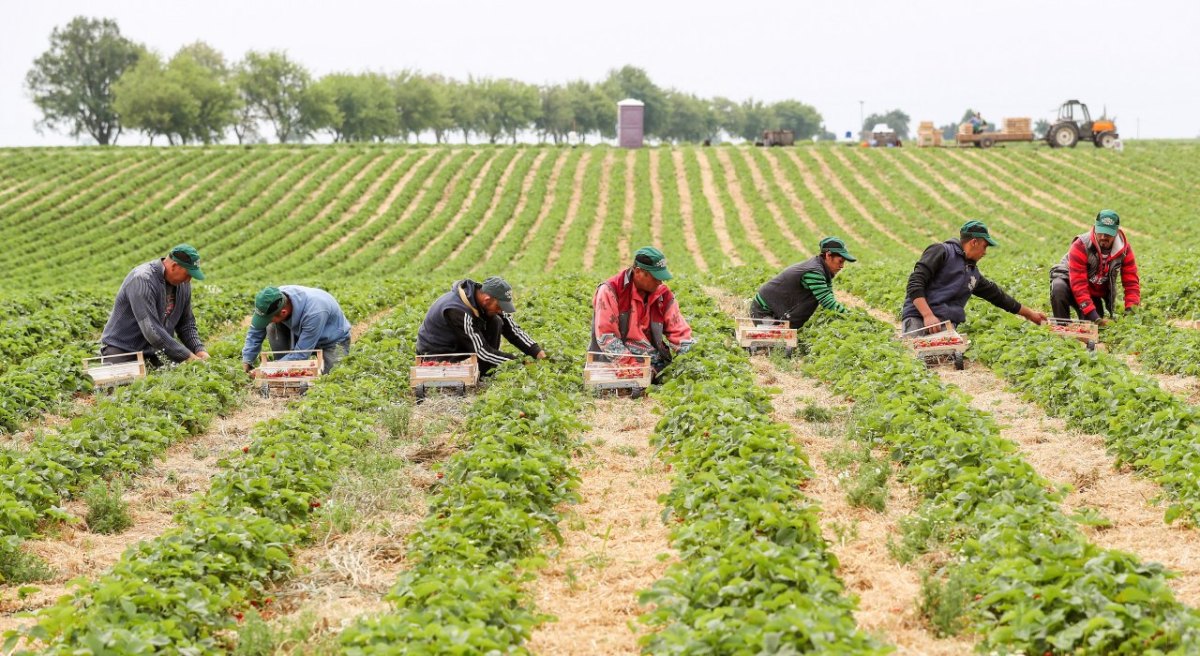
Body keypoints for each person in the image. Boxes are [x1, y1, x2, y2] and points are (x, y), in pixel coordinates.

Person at [901, 220, 1047, 336]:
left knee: (943, 356)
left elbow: (998, 296)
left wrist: (1030, 314)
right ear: (974, 242)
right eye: (984, 246)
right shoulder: (941, 251)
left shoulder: (972, 273)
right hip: (919, 317)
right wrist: (927, 315)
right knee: (916, 353)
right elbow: (915, 283)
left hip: (945, 324)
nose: (985, 252)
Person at [591, 246, 695, 377]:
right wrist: (632, 367)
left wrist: (691, 359)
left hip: (651, 361)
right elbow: (607, 338)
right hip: (613, 362)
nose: (660, 281)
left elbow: (680, 333)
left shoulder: (663, 295)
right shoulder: (610, 291)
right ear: (638, 272)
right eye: (655, 277)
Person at [99, 244, 209, 367]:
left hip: (154, 353)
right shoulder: (142, 280)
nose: (189, 280)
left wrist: (199, 350)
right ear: (174, 266)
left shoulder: (183, 285)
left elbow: (186, 324)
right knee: (122, 385)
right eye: (188, 274)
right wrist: (187, 356)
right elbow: (152, 331)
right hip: (123, 351)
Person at [415, 276, 545, 375]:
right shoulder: (457, 310)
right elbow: (482, 351)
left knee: (496, 320)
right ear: (487, 299)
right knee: (492, 329)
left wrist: (536, 351)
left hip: (459, 345)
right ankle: (485, 369)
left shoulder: (487, 303)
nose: (501, 310)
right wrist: (518, 363)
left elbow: (513, 330)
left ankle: (486, 368)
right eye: (499, 306)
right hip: (440, 354)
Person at [1049, 210, 1140, 325]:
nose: (1103, 237)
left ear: (1116, 232)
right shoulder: (1081, 245)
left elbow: (1131, 283)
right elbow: (1078, 283)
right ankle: (1062, 327)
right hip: (1068, 280)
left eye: (1108, 234)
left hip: (1091, 291)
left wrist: (1131, 313)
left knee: (1093, 325)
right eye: (1100, 232)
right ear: (1095, 227)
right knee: (1058, 289)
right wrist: (1094, 317)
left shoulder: (1124, 250)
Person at [241, 286, 351, 376]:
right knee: (271, 326)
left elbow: (301, 353)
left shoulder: (315, 311)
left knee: (331, 377)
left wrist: (268, 369)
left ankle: (281, 368)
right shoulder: (272, 301)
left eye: (268, 318)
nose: (265, 321)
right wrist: (247, 359)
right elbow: (256, 330)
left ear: (283, 312)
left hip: (332, 340)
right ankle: (282, 371)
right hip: (301, 332)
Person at [752, 237, 857, 330]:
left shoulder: (822, 270)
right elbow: (826, 301)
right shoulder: (814, 271)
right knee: (778, 344)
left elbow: (829, 296)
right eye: (840, 261)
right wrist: (851, 317)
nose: (842, 266)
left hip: (775, 310)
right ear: (828, 255)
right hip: (764, 312)